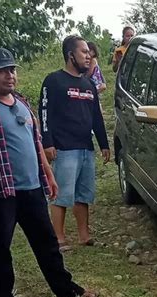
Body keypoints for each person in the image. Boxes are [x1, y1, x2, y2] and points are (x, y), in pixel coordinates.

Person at [0, 48, 95, 297]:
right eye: (2, 71)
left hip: (32, 189)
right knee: (0, 248)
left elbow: (36, 143)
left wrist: (49, 175)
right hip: (0, 190)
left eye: (12, 70)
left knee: (48, 243)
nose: (10, 75)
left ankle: (66, 290)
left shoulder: (21, 103)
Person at [38, 35, 110, 251]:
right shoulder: (54, 81)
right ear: (71, 55)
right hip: (63, 147)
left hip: (86, 147)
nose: (88, 56)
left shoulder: (89, 84)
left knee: (83, 194)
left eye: (89, 52)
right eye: (83, 52)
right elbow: (44, 113)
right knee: (61, 194)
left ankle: (84, 235)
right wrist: (47, 142)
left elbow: (96, 116)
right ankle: (58, 238)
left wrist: (104, 143)